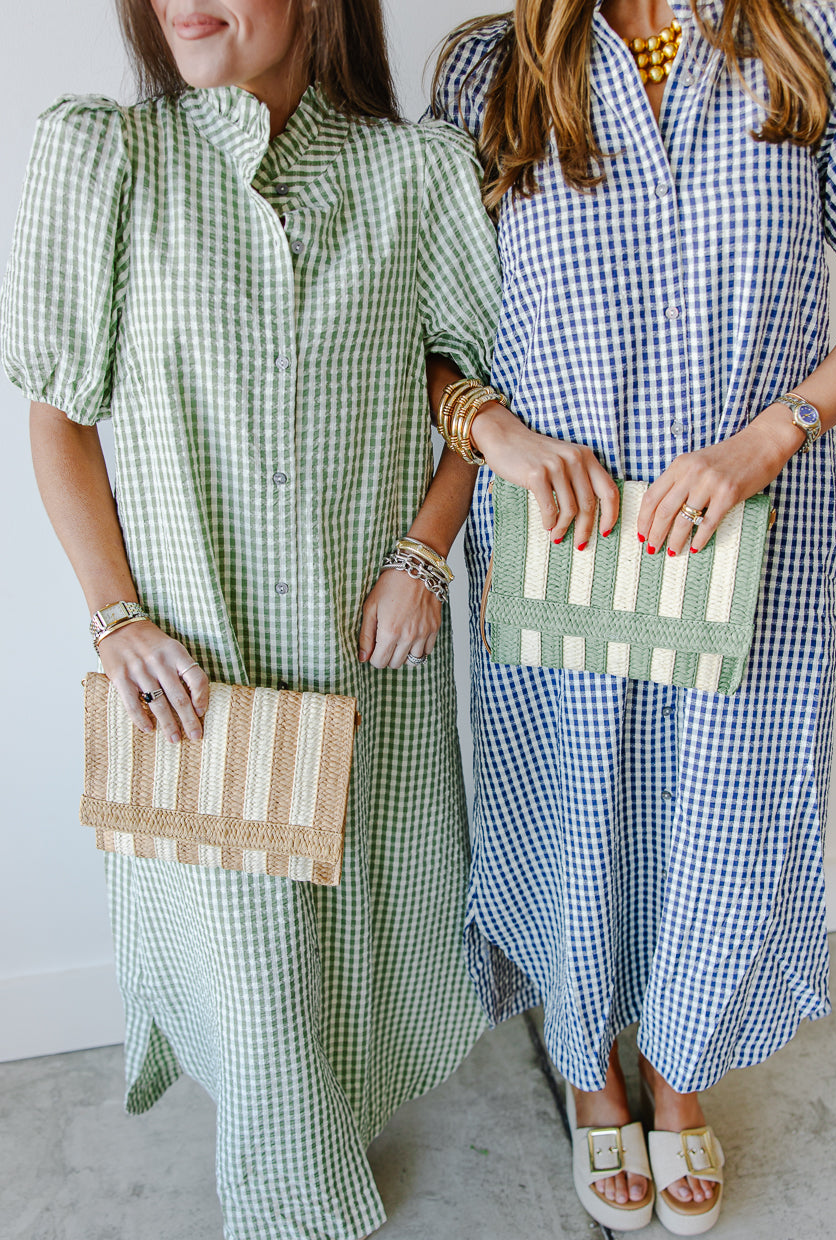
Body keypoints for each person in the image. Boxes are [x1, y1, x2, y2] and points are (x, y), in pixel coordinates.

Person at [0, 1, 501, 1236]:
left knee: (361, 928)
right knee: (250, 954)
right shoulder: (110, 159)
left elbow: (475, 395)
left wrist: (424, 559)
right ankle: (290, 1198)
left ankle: (317, 1134)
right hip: (198, 662)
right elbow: (58, 415)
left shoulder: (416, 172)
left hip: (363, 644)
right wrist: (113, 615)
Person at [430, 0, 836, 1232]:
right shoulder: (490, 69)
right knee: (569, 804)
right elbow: (423, 330)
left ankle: (680, 1072)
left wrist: (771, 438)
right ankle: (593, 1077)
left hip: (752, 535)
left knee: (729, 806)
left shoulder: (827, 31)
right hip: (560, 547)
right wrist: (502, 433)